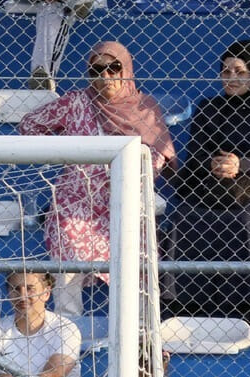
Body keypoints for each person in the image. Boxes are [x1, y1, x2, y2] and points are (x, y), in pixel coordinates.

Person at [19, 41, 176, 315]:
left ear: (126, 68)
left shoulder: (145, 108)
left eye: (113, 68)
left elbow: (159, 154)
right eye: (96, 70)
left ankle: (137, 328)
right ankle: (69, 325)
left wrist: (134, 179)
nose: (105, 77)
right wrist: (62, 152)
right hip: (77, 199)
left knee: (135, 257)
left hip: (126, 200)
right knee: (65, 237)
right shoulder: (76, 102)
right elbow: (29, 124)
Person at [168, 42, 250, 320]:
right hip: (209, 185)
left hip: (245, 188)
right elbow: (196, 154)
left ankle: (240, 308)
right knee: (186, 215)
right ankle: (190, 306)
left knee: (243, 219)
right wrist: (213, 163)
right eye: (226, 72)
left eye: (240, 71)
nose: (232, 78)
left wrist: (241, 164)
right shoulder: (209, 107)